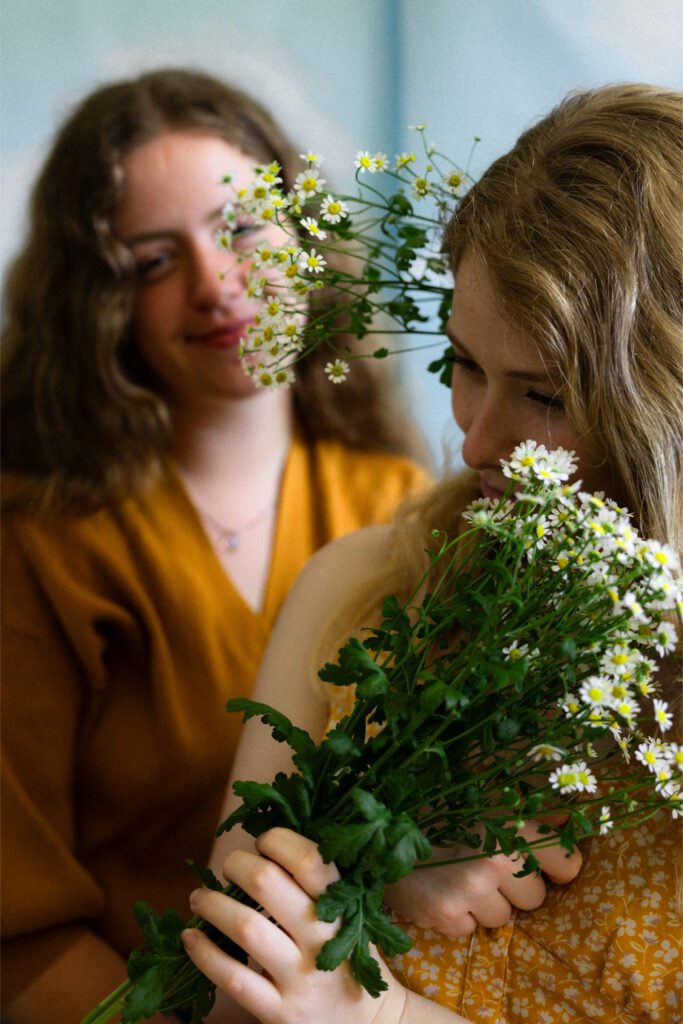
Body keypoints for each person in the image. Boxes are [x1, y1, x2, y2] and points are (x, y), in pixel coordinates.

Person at [180, 83, 683, 1023]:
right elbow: (225, 987)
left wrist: (374, 1013)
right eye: (465, 364)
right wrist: (377, 861)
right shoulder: (364, 588)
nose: (476, 441)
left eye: (542, 396)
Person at [0, 68, 432, 1022]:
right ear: (95, 304)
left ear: (304, 234)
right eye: (151, 261)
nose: (216, 284)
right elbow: (15, 926)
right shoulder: (35, 545)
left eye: (238, 228)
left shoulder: (406, 510)